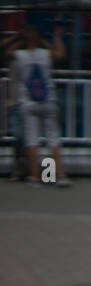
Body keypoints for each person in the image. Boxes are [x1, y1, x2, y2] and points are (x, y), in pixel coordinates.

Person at [10, 23, 69, 186]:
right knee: (53, 138)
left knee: (32, 139)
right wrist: (53, 39)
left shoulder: (20, 55)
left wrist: (18, 38)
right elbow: (61, 54)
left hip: (28, 102)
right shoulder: (45, 54)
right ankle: (60, 175)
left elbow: (6, 50)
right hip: (47, 99)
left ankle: (35, 177)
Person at [2, 26, 26, 181]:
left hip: (31, 101)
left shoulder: (38, 53)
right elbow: (6, 49)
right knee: (18, 137)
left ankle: (28, 169)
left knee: (28, 138)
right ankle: (17, 168)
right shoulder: (15, 55)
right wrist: (19, 37)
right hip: (16, 101)